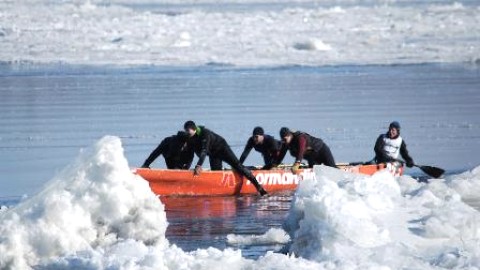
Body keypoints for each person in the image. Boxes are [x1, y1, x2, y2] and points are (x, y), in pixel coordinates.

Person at [183, 120, 267, 196]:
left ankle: (259, 187)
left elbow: (204, 150)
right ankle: (223, 189)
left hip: (222, 148)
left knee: (238, 166)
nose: (187, 133)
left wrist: (198, 165)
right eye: (185, 131)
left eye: (188, 131)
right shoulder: (190, 138)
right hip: (214, 154)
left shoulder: (205, 133)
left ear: (194, 129)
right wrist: (185, 168)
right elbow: (190, 154)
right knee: (216, 173)